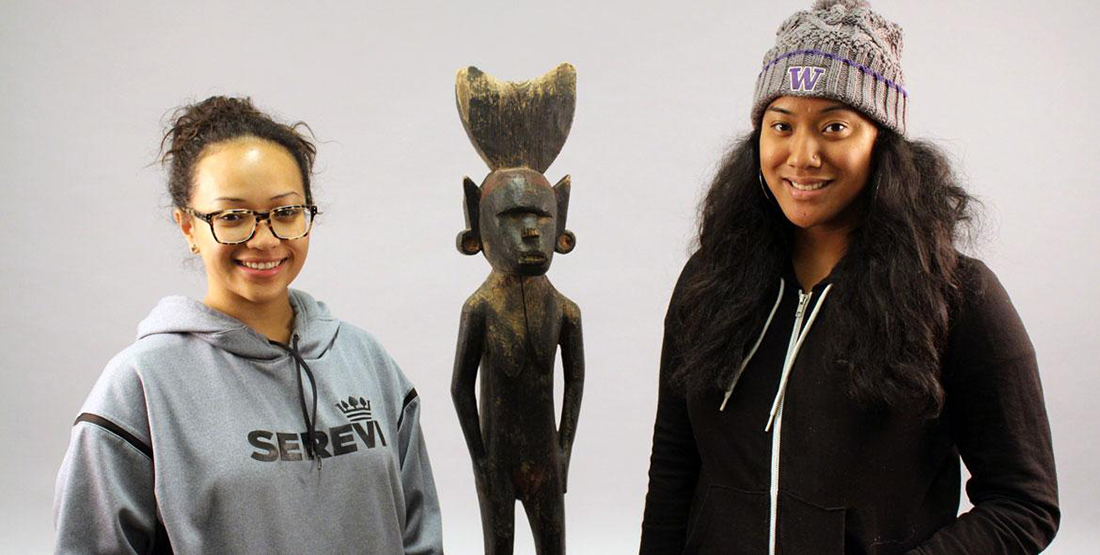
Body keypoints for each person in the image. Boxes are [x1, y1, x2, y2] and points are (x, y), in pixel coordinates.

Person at [639, 1, 1059, 554]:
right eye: (781, 125)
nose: (802, 155)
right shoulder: (710, 281)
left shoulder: (958, 296)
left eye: (834, 126)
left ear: (882, 143)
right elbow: (674, 470)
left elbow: (1025, 503)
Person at [54, 96, 443, 554]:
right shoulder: (139, 387)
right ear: (187, 226)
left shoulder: (368, 362)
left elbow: (420, 537)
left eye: (285, 212)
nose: (264, 239)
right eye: (233, 217)